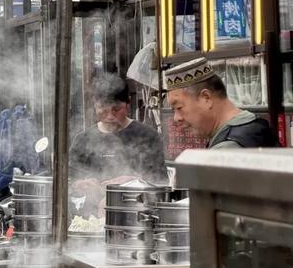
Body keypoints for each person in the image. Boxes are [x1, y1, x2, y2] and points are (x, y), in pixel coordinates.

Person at [69, 74, 168, 215]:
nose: (110, 116)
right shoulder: (83, 140)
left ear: (128, 104)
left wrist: (133, 183)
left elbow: (161, 185)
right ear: (95, 105)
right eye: (103, 109)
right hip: (90, 218)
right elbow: (70, 182)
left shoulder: (147, 136)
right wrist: (79, 185)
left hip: (136, 216)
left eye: (116, 109)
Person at [165, 57, 279, 148]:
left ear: (206, 98)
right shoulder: (255, 126)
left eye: (179, 107)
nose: (176, 118)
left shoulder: (227, 149)